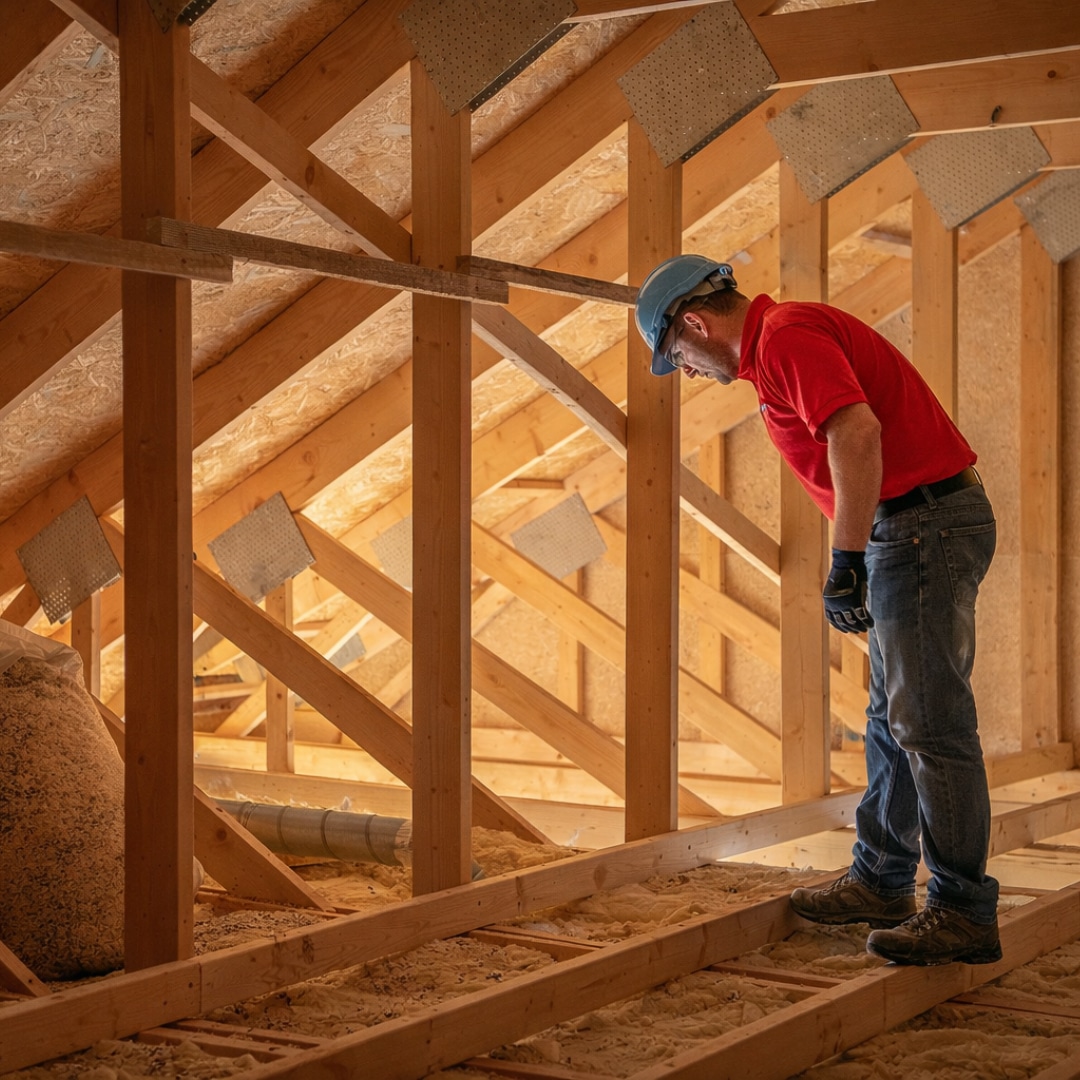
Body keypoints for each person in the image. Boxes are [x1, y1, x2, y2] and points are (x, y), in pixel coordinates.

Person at [634, 255, 1000, 967]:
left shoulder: (786, 339)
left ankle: (962, 911)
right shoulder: (778, 346)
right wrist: (865, 554)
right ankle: (882, 879)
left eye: (677, 356)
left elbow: (856, 434)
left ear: (695, 324)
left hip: (922, 527)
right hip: (910, 529)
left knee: (929, 724)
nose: (687, 371)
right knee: (891, 721)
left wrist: (848, 561)